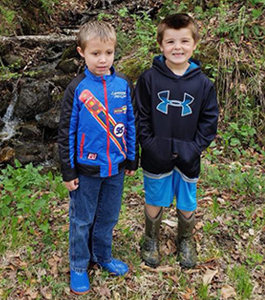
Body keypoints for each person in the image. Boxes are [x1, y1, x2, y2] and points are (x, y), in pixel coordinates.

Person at [58, 20, 138, 295]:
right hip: (86, 170)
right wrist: (68, 172)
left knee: (107, 217)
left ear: (115, 52)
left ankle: (102, 256)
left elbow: (129, 122)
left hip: (115, 168)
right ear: (82, 52)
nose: (102, 60)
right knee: (82, 220)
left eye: (108, 53)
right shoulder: (77, 88)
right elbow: (66, 131)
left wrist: (131, 157)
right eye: (95, 54)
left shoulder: (123, 85)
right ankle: (79, 265)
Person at [135, 13, 218, 269]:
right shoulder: (149, 79)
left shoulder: (203, 84)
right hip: (155, 154)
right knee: (155, 197)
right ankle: (151, 238)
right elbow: (140, 115)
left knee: (187, 200)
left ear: (194, 44)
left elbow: (209, 121)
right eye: (170, 42)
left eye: (184, 41)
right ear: (161, 45)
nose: (177, 47)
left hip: (188, 155)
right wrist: (150, 144)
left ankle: (186, 239)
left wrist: (193, 148)